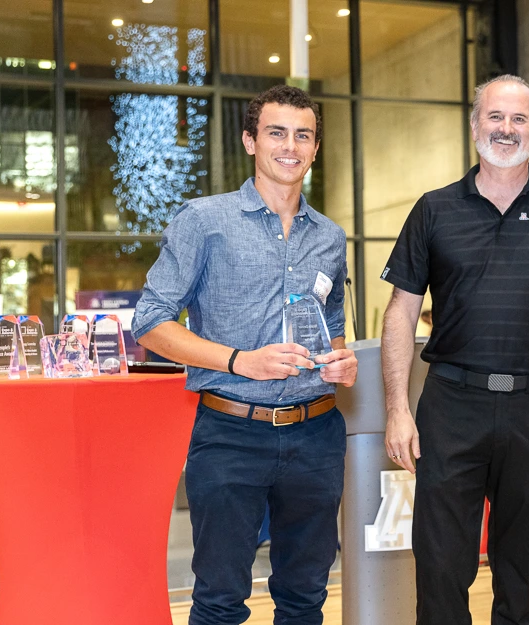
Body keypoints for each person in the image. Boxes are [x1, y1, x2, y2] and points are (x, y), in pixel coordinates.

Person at [380, 74, 529, 625]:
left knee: (520, 566)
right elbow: (401, 311)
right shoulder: (434, 209)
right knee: (440, 563)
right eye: (495, 117)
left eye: (519, 119)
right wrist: (396, 407)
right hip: (450, 404)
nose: (506, 129)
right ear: (474, 126)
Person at [132, 85, 357, 625]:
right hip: (231, 433)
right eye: (276, 132)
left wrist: (341, 360)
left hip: (316, 434)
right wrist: (241, 361)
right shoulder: (205, 220)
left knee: (306, 598)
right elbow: (150, 322)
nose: (290, 145)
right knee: (219, 600)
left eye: (303, 135)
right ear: (250, 141)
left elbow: (331, 326)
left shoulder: (329, 236)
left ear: (316, 148)